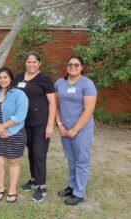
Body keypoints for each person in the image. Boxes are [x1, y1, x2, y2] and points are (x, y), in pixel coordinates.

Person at [14, 51, 56, 202]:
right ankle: (34, 179)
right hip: (23, 123)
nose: (31, 64)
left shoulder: (44, 79)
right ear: (25, 63)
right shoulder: (18, 77)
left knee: (39, 153)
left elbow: (52, 102)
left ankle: (42, 187)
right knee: (31, 152)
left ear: (39, 63)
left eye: (34, 62)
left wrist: (50, 124)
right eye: (29, 62)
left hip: (41, 123)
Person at [55, 55, 97, 205]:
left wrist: (75, 129)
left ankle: (79, 193)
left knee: (81, 160)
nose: (73, 67)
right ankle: (71, 186)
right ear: (67, 66)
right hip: (64, 129)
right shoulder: (60, 83)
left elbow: (89, 110)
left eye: (76, 65)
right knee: (71, 159)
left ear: (82, 67)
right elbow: (55, 106)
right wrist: (59, 124)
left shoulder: (87, 84)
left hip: (82, 130)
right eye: (70, 64)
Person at [0, 67, 28, 203]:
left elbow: (20, 115)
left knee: (13, 162)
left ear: (11, 78)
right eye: (0, 77)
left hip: (15, 133)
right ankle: (0, 188)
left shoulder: (19, 94)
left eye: (5, 77)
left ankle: (12, 190)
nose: (2, 80)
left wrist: (3, 127)